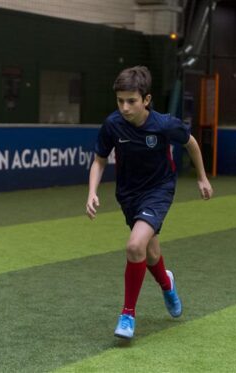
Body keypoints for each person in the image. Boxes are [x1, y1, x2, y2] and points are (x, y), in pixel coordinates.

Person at [85, 66, 213, 340]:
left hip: (159, 190)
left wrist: (201, 177)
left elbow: (190, 143)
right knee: (150, 254)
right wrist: (92, 192)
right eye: (120, 100)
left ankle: (127, 314)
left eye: (131, 101)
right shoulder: (112, 125)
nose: (125, 107)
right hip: (129, 195)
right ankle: (167, 284)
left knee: (134, 246)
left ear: (146, 100)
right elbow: (99, 159)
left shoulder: (164, 124)